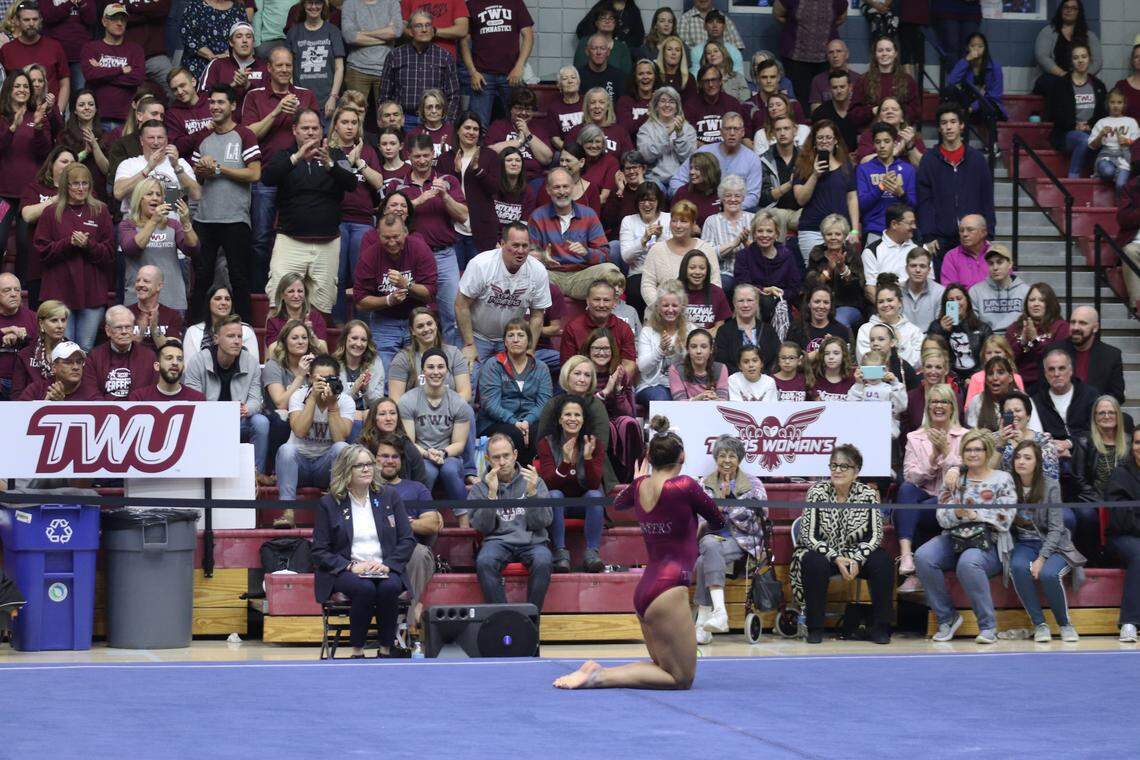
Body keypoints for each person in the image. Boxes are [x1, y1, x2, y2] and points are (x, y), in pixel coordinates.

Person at [554, 425, 725, 690]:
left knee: (664, 669)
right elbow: (718, 519)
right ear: (682, 457)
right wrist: (697, 528)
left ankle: (596, 671)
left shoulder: (639, 487)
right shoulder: (684, 485)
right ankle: (598, 678)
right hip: (670, 589)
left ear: (650, 458)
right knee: (681, 678)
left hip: (647, 588)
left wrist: (636, 481)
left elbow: (619, 502)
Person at [311, 444, 415, 658]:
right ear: (346, 470)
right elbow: (319, 550)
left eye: (369, 464)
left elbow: (407, 539)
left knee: (389, 588)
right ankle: (357, 651)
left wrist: (387, 564)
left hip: (384, 567)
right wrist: (351, 566)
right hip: (346, 570)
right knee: (365, 589)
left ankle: (385, 650)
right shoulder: (329, 503)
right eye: (360, 466)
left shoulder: (388, 496)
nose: (367, 469)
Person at [914, 428, 1016, 644]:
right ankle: (947, 618)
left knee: (968, 563)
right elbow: (942, 516)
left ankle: (988, 627)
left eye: (978, 449)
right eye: (968, 449)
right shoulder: (954, 478)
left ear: (987, 452)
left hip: (989, 541)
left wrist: (974, 513)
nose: (973, 454)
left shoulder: (1003, 478)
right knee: (923, 556)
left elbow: (1005, 516)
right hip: (955, 536)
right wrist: (958, 514)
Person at [261, 109, 357, 315]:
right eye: (305, 128)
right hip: (290, 241)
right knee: (278, 303)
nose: (311, 133)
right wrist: (296, 158)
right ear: (294, 130)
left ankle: (316, 347)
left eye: (315, 128)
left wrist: (330, 165)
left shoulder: (336, 154)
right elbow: (268, 177)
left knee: (321, 308)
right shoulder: (284, 155)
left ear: (322, 130)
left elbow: (352, 183)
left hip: (327, 243)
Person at [792, 443, 891, 644]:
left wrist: (856, 559)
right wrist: (836, 558)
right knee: (813, 561)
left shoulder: (868, 495)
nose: (837, 470)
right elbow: (808, 535)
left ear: (856, 472)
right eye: (834, 465)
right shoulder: (816, 492)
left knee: (883, 561)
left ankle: (881, 627)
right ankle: (815, 628)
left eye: (844, 466)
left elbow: (875, 535)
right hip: (825, 552)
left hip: (856, 553)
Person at [691, 435, 768, 644]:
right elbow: (699, 518)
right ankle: (718, 615)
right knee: (706, 550)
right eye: (722, 455)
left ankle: (703, 623)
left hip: (743, 541)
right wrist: (717, 510)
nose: (726, 460)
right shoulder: (704, 484)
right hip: (712, 541)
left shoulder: (753, 484)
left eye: (732, 456)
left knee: (705, 554)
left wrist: (728, 503)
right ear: (716, 458)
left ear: (739, 458)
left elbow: (761, 516)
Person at [1008, 439, 1084, 643]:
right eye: (1017, 457)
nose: (1021, 461)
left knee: (1049, 574)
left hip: (1054, 544)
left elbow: (1057, 528)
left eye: (1027, 457)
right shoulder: (1007, 486)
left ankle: (1065, 624)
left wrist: (1042, 558)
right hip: (1024, 544)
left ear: (1037, 463)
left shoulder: (1050, 486)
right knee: (1017, 567)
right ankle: (1040, 624)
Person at [33, 164, 114, 352]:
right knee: (62, 349)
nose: (80, 188)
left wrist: (88, 245)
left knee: (85, 347)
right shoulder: (51, 213)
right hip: (59, 292)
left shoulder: (100, 211)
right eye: (75, 184)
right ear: (65, 186)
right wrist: (68, 243)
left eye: (85, 183)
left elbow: (109, 254)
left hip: (92, 292)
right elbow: (42, 252)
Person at [184, 314, 270, 480]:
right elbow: (192, 401)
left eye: (239, 336)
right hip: (207, 423)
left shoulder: (251, 362)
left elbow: (255, 400)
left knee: (261, 422)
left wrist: (247, 409)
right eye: (231, 336)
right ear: (216, 339)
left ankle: (256, 474)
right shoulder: (198, 362)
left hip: (239, 421)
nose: (237, 341)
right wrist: (224, 411)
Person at [470, 432, 552, 607]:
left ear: (515, 455)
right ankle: (504, 617)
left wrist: (532, 495)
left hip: (533, 541)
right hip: (497, 541)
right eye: (496, 457)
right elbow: (483, 527)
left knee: (544, 560)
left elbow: (542, 522)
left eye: (506, 456)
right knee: (484, 562)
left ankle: (531, 619)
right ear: (487, 459)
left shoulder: (534, 481)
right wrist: (491, 495)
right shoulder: (480, 488)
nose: (502, 462)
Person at [898, 382, 967, 588]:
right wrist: (932, 458)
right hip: (922, 499)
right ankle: (906, 555)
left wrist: (945, 451)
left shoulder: (965, 437)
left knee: (910, 511)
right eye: (934, 401)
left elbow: (965, 476)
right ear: (928, 407)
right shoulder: (914, 437)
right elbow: (910, 476)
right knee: (906, 490)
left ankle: (916, 575)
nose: (939, 405)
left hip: (948, 503)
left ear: (952, 407)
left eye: (944, 401)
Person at [353, 214, 437, 376]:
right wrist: (388, 300)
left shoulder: (419, 249)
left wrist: (408, 285)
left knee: (422, 372)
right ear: (378, 235)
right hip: (384, 321)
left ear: (405, 232)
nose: (392, 242)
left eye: (396, 237)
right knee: (383, 373)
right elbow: (360, 301)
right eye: (386, 237)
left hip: (416, 319)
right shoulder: (370, 256)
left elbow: (430, 293)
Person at [276, 353, 354, 526]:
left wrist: (332, 405)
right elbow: (300, 431)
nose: (324, 383)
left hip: (326, 469)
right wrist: (312, 399)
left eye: (329, 378)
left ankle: (335, 509)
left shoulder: (345, 401)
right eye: (320, 378)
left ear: (338, 378)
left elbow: (340, 437)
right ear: (310, 378)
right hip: (299, 466)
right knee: (286, 450)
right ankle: (288, 513)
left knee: (342, 447)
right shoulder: (299, 395)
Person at [455, 222, 550, 366]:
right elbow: (461, 305)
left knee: (512, 384)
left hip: (511, 338)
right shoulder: (481, 264)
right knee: (470, 379)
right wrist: (469, 344)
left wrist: (529, 349)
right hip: (476, 335)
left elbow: (537, 315)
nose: (521, 251)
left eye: (525, 246)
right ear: (502, 244)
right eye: (515, 245)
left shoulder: (538, 270)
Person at [536, 394, 606, 574]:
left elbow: (593, 483)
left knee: (595, 496)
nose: (572, 419)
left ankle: (592, 554)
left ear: (583, 420)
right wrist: (566, 463)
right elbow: (549, 483)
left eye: (577, 415)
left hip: (583, 500)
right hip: (559, 503)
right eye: (567, 415)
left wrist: (588, 458)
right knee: (554, 496)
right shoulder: (547, 443)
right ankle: (560, 553)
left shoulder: (594, 443)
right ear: (560, 419)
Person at [527, 167, 620, 301]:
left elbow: (605, 254)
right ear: (548, 190)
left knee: (611, 270)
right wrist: (542, 257)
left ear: (573, 188)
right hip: (550, 276)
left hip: (582, 277)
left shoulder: (588, 215)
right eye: (557, 187)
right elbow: (528, 256)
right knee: (527, 273)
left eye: (566, 186)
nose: (562, 192)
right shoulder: (537, 217)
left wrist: (586, 252)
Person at [917, 104, 995, 256]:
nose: (949, 127)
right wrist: (929, 235)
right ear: (939, 128)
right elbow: (924, 200)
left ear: (962, 125)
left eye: (953, 122)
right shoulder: (929, 159)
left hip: (974, 235)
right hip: (940, 239)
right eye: (944, 123)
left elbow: (986, 198)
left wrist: (989, 233)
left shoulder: (977, 159)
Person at [398, 347, 471, 501]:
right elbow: (409, 442)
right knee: (427, 471)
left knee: (450, 469)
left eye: (440, 367)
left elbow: (459, 443)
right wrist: (427, 454)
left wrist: (442, 453)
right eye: (430, 367)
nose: (436, 372)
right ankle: (421, 514)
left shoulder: (459, 403)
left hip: (449, 454)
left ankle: (464, 517)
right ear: (423, 371)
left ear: (447, 371)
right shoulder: (407, 400)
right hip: (421, 455)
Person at [476, 318, 552, 463]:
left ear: (529, 341)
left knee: (540, 434)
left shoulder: (541, 367)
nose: (515, 340)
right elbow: (490, 404)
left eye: (520, 335)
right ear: (504, 341)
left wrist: (527, 421)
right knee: (515, 435)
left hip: (530, 420)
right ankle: (516, 479)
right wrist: (514, 422)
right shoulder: (493, 365)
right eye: (511, 335)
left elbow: (544, 403)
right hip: (495, 422)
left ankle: (533, 480)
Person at [0, 71, 52, 278]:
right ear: (9, 89)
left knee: (25, 243)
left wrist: (39, 128)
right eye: (18, 86)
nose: (22, 90)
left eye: (26, 87)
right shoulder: (2, 117)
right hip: (2, 194)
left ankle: (21, 289)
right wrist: (12, 127)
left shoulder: (38, 115)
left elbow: (45, 151)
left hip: (28, 196)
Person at [121, 181, 197, 320]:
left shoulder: (173, 224)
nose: (155, 198)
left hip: (172, 299)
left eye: (158, 194)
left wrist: (186, 222)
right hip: (138, 301)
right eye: (149, 194)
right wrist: (153, 221)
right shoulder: (128, 225)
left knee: (172, 342)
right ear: (139, 198)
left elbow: (193, 249)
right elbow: (131, 248)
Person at [792, 119, 858, 260]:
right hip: (812, 230)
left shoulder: (846, 165)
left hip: (841, 231)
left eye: (828, 137)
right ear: (814, 141)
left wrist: (855, 229)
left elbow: (852, 199)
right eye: (820, 138)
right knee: (814, 276)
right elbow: (800, 200)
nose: (824, 141)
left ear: (835, 141)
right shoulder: (802, 164)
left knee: (842, 274)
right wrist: (815, 175)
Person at [460, 0, 533, 130]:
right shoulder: (471, 4)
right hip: (482, 76)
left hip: (511, 75)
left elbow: (528, 35)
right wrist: (472, 72)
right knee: (478, 125)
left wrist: (519, 66)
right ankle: (480, 151)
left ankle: (517, 150)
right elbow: (464, 41)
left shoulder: (515, 3)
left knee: (517, 123)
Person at [640, 201, 718, 307]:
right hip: (662, 312)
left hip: (699, 311)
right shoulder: (657, 250)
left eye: (683, 221)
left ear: (693, 224)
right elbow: (647, 285)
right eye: (674, 221)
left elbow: (715, 284)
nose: (677, 226)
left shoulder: (706, 249)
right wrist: (661, 308)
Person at [1046, 43, 1107, 179]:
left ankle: (1101, 174)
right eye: (1076, 57)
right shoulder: (1061, 85)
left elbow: (1102, 114)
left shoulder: (1098, 86)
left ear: (1089, 59)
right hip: (1066, 133)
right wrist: (1074, 125)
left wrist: (1090, 125)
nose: (1080, 60)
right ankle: (1073, 179)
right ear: (1071, 61)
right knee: (1084, 140)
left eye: (1084, 57)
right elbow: (1054, 113)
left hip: (1092, 130)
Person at [1043, 306, 1125, 405]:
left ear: (1095, 328)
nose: (1075, 327)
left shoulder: (1111, 355)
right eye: (1073, 322)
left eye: (1082, 323)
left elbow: (1117, 395)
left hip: (1094, 413)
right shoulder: (1053, 351)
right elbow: (1042, 388)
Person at [80, 5, 146, 127]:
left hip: (127, 118)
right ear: (104, 21)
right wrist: (121, 70)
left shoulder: (135, 50)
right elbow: (90, 76)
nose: (120, 23)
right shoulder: (91, 48)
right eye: (115, 19)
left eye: (123, 19)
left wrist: (101, 70)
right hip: (97, 117)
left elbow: (137, 78)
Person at [387, 307, 471, 403]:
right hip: (415, 414)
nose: (426, 329)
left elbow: (465, 394)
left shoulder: (454, 354)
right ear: (412, 331)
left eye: (429, 324)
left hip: (450, 412)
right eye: (420, 326)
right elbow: (395, 400)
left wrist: (440, 408)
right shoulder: (402, 358)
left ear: (436, 324)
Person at [771, 0, 848, 104]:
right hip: (795, 57)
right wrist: (796, 28)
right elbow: (778, 14)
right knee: (799, 100)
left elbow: (841, 18)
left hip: (826, 58)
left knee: (825, 97)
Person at [1031, 348, 1098, 465]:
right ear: (1045, 374)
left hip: (1087, 456)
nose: (1056, 374)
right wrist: (1053, 448)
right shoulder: (1036, 401)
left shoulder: (1089, 395)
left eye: (1062, 368)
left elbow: (1097, 430)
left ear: (1071, 371)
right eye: (1051, 369)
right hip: (1052, 458)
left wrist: (1070, 443)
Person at [559, 278, 636, 378]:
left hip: (614, 383)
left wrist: (613, 386)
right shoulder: (573, 328)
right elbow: (567, 366)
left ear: (614, 302)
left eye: (606, 300)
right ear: (587, 301)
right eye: (596, 299)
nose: (601, 305)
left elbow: (629, 364)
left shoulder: (624, 328)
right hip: (582, 385)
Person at [1106, 427, 1140, 643]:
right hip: (1123, 536)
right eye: (1137, 443)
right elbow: (1121, 518)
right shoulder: (1121, 474)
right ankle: (1129, 622)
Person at [856, 122, 916, 241]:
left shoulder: (908, 169)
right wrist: (881, 187)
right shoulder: (864, 169)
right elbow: (861, 205)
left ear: (894, 143)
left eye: (887, 141)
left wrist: (901, 193)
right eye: (878, 142)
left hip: (902, 230)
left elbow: (913, 205)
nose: (882, 146)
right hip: (874, 230)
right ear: (874, 144)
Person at [0, 3, 69, 107]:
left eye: (35, 19)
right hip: (18, 115)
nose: (31, 23)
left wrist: (59, 112)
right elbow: (3, 86)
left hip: (50, 114)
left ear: (40, 20)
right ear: (17, 21)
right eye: (26, 20)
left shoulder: (54, 46)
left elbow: (64, 82)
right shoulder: (6, 50)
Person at [286, 0, 345, 119]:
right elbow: (288, 68)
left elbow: (339, 68)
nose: (314, 7)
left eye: (317, 3)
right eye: (310, 3)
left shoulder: (333, 31)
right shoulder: (293, 32)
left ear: (323, 5)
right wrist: (293, 96)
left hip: (327, 101)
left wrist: (333, 97)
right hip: (300, 101)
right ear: (303, 5)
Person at [339, 0, 399, 116]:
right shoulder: (350, 3)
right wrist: (385, 38)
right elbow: (350, 37)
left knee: (387, 117)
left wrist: (362, 33)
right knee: (353, 116)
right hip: (357, 68)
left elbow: (396, 31)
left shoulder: (392, 2)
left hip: (386, 69)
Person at [733, 210, 802, 312]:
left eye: (769, 231)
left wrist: (778, 294)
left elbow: (794, 288)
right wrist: (764, 290)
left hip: (781, 305)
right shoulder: (743, 255)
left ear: (776, 234)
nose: (764, 235)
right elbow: (742, 285)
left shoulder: (787, 255)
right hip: (751, 306)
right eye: (760, 231)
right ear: (754, 234)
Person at [87, 306, 158, 400]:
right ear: (108, 330)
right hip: (103, 411)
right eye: (119, 327)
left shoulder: (149, 357)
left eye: (128, 327)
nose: (124, 332)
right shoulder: (94, 357)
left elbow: (153, 391)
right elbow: (90, 391)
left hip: (138, 410)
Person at [1033, 0, 1101, 97]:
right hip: (1054, 77)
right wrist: (1064, 75)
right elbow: (1042, 56)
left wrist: (1080, 77)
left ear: (1079, 12)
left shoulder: (1089, 36)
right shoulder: (1048, 31)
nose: (1069, 10)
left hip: (1082, 77)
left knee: (1098, 87)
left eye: (1073, 8)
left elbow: (1097, 62)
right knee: (1059, 86)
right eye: (1066, 7)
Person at [926, 284, 991, 385]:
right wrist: (943, 331)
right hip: (947, 377)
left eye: (959, 298)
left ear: (967, 301)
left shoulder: (982, 328)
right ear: (945, 304)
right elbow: (932, 354)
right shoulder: (936, 326)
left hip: (977, 377)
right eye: (951, 300)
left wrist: (974, 378)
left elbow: (989, 357)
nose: (955, 303)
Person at [1071, 395, 1132, 504]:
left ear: (1118, 416)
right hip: (1092, 498)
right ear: (1095, 417)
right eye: (1101, 413)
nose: (1107, 416)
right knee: (1086, 514)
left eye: (1112, 412)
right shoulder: (1084, 441)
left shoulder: (1129, 441)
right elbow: (1078, 479)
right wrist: (1099, 501)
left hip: (1122, 498)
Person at [620, 182, 669, 315]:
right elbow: (626, 257)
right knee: (635, 290)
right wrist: (643, 239)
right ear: (637, 202)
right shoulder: (628, 221)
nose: (647, 204)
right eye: (643, 200)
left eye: (651, 200)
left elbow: (674, 251)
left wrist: (660, 237)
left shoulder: (668, 219)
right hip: (638, 272)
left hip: (665, 271)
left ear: (658, 202)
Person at [636, 280, 688, 405]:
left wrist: (682, 352)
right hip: (652, 385)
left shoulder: (691, 330)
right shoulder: (648, 332)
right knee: (662, 398)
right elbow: (642, 367)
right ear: (658, 307)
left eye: (674, 306)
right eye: (665, 305)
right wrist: (660, 350)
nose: (670, 310)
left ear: (681, 307)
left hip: (683, 385)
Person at [945, 32, 1008, 134]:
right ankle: (956, 135)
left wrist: (972, 107)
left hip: (988, 104)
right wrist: (966, 60)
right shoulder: (964, 64)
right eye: (972, 46)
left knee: (987, 108)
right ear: (967, 48)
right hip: (969, 103)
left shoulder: (995, 68)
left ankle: (993, 145)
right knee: (949, 90)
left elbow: (994, 95)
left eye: (980, 46)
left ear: (985, 48)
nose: (976, 49)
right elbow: (951, 81)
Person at [195, 20, 268, 107]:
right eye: (239, 36)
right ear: (231, 42)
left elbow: (270, 102)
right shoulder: (217, 65)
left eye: (248, 37)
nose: (244, 40)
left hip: (257, 119)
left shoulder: (265, 67)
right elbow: (202, 98)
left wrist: (248, 85)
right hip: (223, 120)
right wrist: (231, 86)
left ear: (253, 42)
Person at [637, 86, 696, 190]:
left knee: (680, 194)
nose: (667, 105)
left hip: (681, 178)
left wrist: (680, 135)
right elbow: (646, 157)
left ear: (677, 107)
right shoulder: (645, 128)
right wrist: (667, 133)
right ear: (656, 106)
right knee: (652, 193)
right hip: (654, 179)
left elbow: (690, 159)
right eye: (663, 101)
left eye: (672, 101)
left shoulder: (687, 129)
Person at [701, 175, 753, 291]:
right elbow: (706, 255)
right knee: (724, 283)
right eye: (728, 195)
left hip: (751, 273)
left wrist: (746, 243)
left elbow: (761, 253)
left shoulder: (753, 219)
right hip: (723, 274)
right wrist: (734, 243)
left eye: (737, 196)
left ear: (743, 198)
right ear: (722, 198)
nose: (733, 199)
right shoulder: (711, 221)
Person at [965, 355, 1041, 433]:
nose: (995, 378)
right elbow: (972, 436)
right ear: (986, 380)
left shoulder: (1023, 399)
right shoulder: (977, 401)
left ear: (1010, 377)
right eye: (990, 373)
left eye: (1000, 373)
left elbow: (1036, 432)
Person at [715, 283, 780, 374]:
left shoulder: (768, 330)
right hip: (734, 383)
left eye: (749, 300)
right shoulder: (724, 331)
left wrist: (761, 378)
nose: (745, 305)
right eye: (741, 301)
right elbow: (722, 362)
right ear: (734, 303)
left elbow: (776, 359)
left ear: (757, 302)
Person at [856, 278, 923, 366]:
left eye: (890, 300)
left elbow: (918, 362)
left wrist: (900, 343)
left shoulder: (913, 331)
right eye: (881, 302)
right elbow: (864, 360)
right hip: (874, 377)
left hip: (905, 377)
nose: (885, 305)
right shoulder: (866, 329)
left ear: (900, 302)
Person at [332, 320, 386, 428]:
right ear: (345, 339)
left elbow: (378, 405)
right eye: (354, 338)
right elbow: (333, 404)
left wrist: (366, 390)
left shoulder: (375, 364)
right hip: (341, 419)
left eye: (363, 340)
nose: (359, 344)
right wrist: (354, 390)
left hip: (368, 418)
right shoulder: (333, 365)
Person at [183, 285, 259, 357]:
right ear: (208, 303)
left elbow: (253, 366)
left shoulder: (246, 331)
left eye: (227, 299)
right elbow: (189, 368)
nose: (223, 303)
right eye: (218, 298)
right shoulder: (193, 332)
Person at [1088, 88, 1140, 193]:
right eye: (1112, 102)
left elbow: (1137, 143)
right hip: (1106, 156)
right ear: (1108, 104)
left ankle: (1121, 206)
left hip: (1125, 158)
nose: (1116, 105)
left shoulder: (1131, 122)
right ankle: (1115, 175)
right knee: (1108, 172)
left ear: (1124, 105)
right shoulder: (1101, 122)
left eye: (1119, 102)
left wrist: (1127, 141)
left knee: (1121, 185)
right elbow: (1092, 146)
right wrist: (1100, 135)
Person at [862, 35, 921, 126]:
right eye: (880, 50)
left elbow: (916, 112)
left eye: (888, 50)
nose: (884, 53)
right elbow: (853, 113)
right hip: (872, 133)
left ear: (895, 53)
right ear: (875, 54)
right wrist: (872, 111)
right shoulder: (863, 80)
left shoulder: (908, 80)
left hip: (900, 131)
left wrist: (896, 111)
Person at [968, 244, 1028, 332]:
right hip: (987, 339)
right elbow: (973, 325)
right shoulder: (975, 291)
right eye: (991, 263)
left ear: (1010, 264)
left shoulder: (1025, 291)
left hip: (1016, 340)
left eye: (999, 262)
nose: (995, 268)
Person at [17, 340, 100, 401]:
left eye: (79, 362)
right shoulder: (36, 389)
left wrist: (60, 406)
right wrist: (45, 405)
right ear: (54, 367)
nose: (76, 367)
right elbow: (19, 417)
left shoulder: (91, 394)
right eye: (68, 362)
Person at [265, 273, 329, 352]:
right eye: (291, 291)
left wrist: (311, 334)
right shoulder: (274, 321)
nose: (296, 295)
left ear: (305, 294)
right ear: (282, 295)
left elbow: (324, 352)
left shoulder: (315, 317)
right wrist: (285, 331)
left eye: (300, 291)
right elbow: (271, 353)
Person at [127, 339, 207, 401]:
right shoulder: (139, 398)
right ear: (157, 366)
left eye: (179, 359)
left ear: (183, 367)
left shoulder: (197, 399)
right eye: (169, 358)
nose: (175, 363)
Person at [812, 70, 869, 154]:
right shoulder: (820, 113)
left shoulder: (860, 111)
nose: (839, 91)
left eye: (842, 87)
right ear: (829, 89)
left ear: (850, 87)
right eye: (835, 87)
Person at [0, 273, 36, 400]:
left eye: (17, 290)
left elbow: (43, 346)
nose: (14, 294)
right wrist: (5, 332)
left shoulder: (33, 318)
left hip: (25, 383)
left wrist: (25, 337)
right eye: (7, 290)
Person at [668, 328, 727, 401]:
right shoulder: (676, 369)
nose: (698, 351)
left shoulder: (721, 368)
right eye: (693, 346)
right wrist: (697, 399)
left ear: (711, 349)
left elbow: (723, 401)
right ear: (687, 349)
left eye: (704, 347)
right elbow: (679, 402)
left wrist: (715, 399)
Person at [679, 249, 730, 332]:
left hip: (708, 341)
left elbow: (719, 328)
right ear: (685, 269)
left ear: (707, 270)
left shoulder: (717, 293)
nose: (697, 272)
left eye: (702, 268)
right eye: (692, 268)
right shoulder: (675, 292)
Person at [166, 68, 213, 155]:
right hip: (190, 165)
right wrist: (205, 131)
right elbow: (176, 147)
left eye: (182, 85)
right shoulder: (172, 114)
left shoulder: (212, 103)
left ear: (193, 82)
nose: (179, 92)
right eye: (175, 89)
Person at [938, 214, 991, 291]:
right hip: (964, 302)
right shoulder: (952, 257)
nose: (964, 234)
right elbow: (950, 293)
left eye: (970, 230)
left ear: (983, 232)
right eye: (961, 230)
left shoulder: (996, 254)